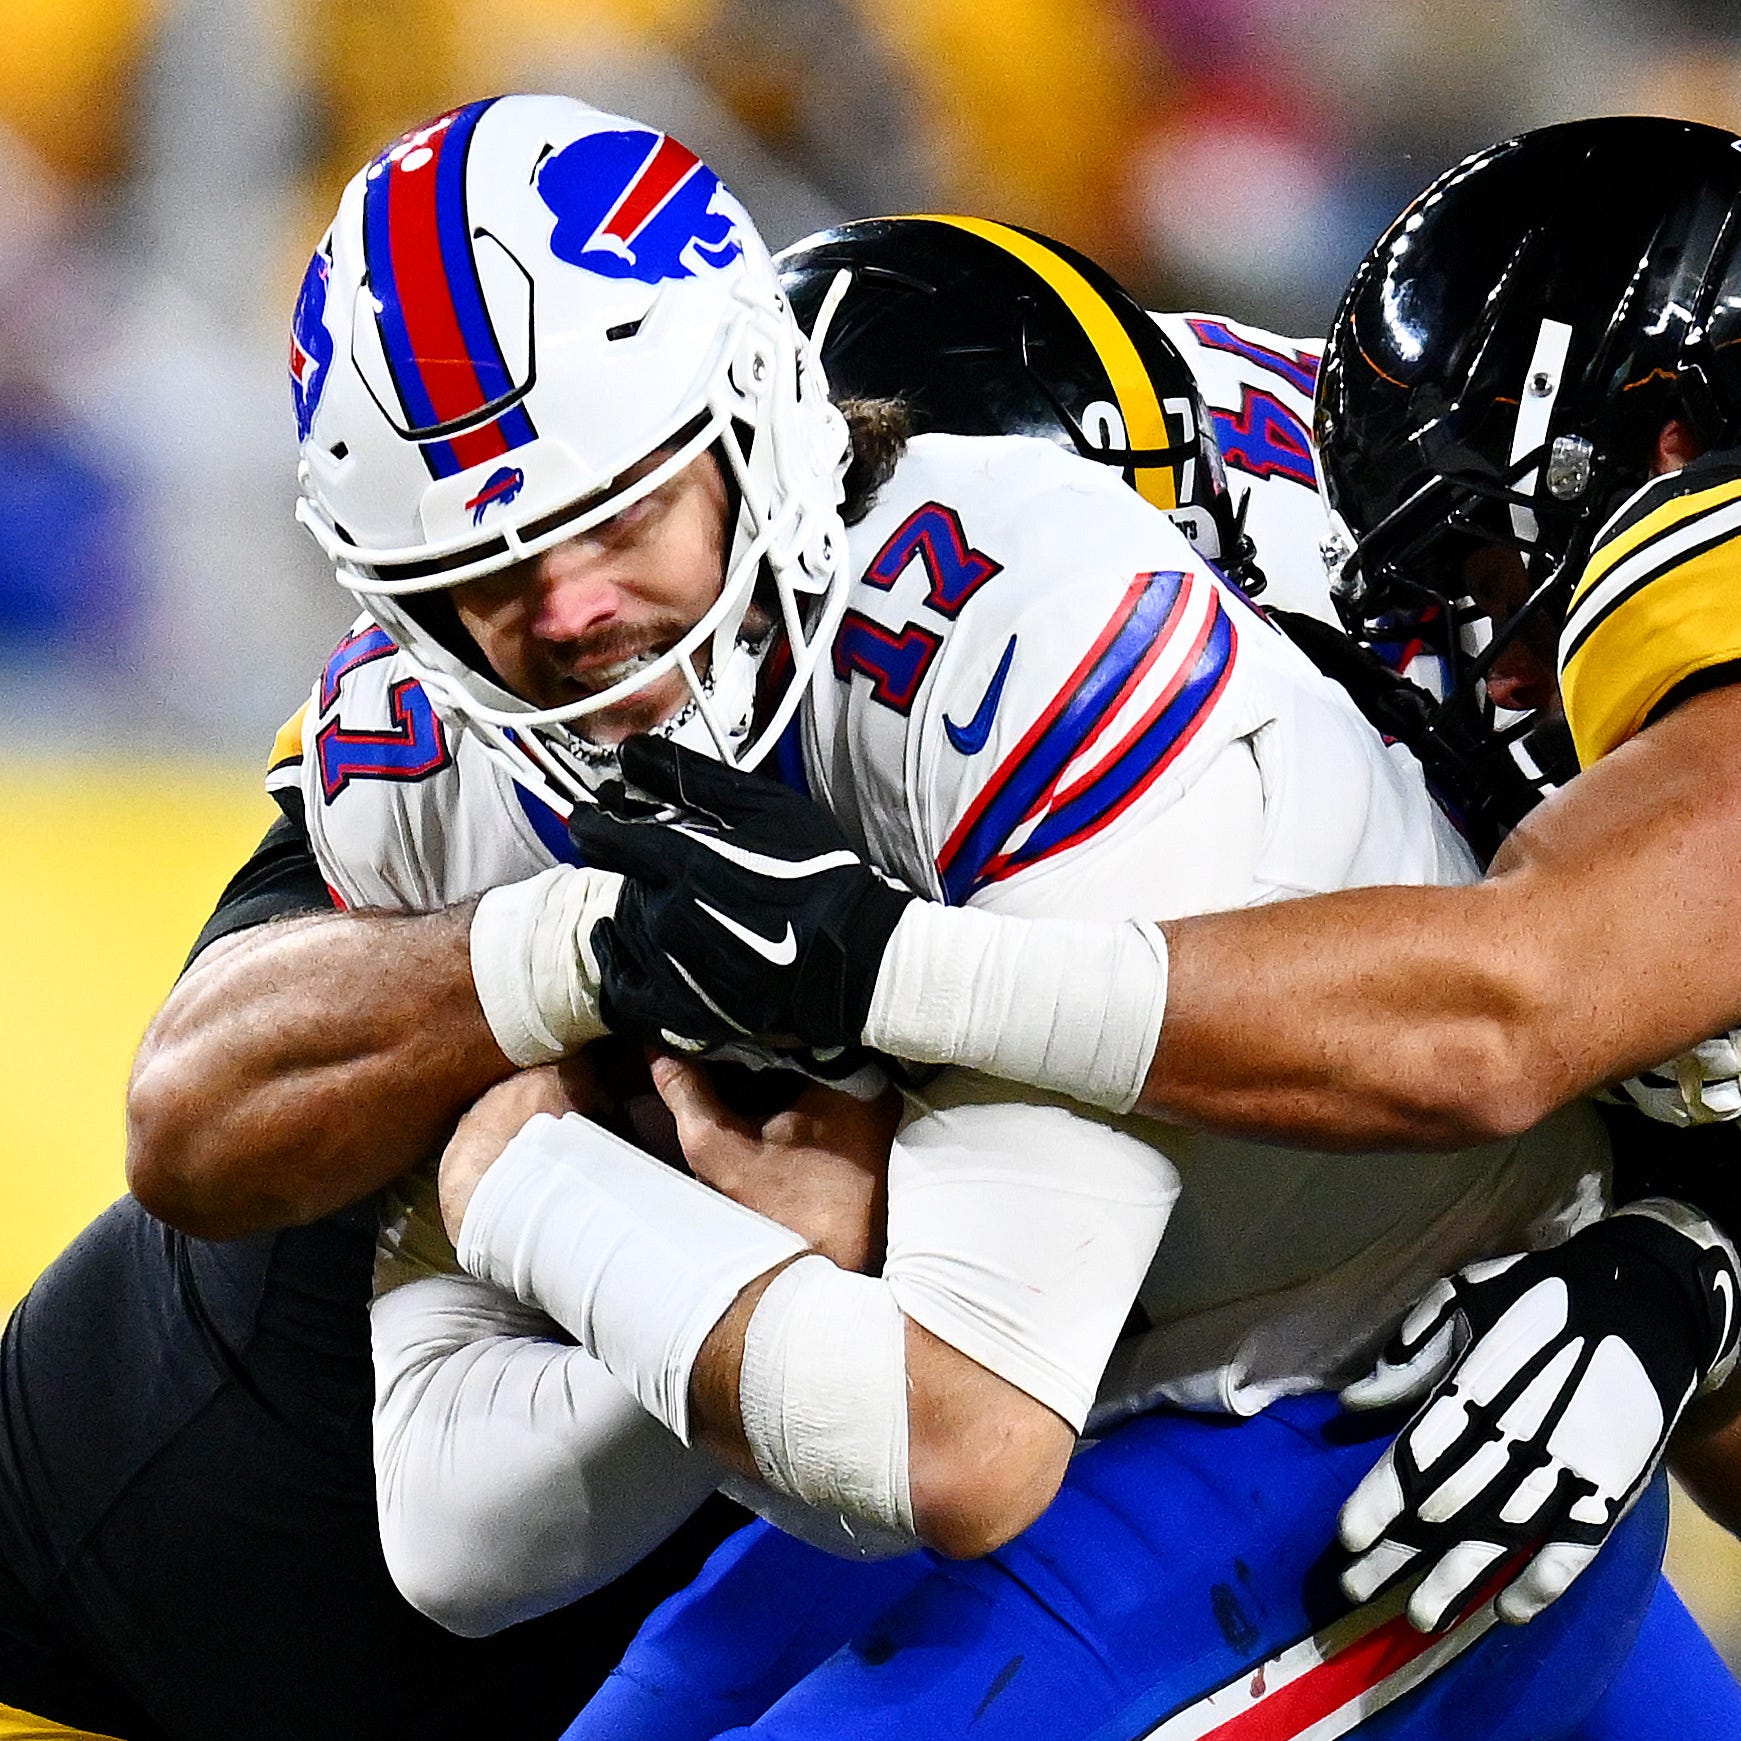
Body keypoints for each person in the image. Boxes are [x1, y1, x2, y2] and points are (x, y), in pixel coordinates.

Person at [174, 96, 1725, 1737]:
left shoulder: (1103, 623)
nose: (575, 612)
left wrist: (1692, 1245)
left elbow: (1512, 1008)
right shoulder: (473, 729)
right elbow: (449, 1519)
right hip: (1118, 1365)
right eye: (489, 570)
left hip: (1341, 1373)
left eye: (625, 515)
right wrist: (584, 1030)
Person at [569, 116, 1741, 1643]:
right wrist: (1693, 1254)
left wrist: (886, 966)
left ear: (1663, 448)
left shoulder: (1175, 600)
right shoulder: (1312, 512)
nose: (1496, 666)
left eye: (1489, 577)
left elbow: (1500, 1011)